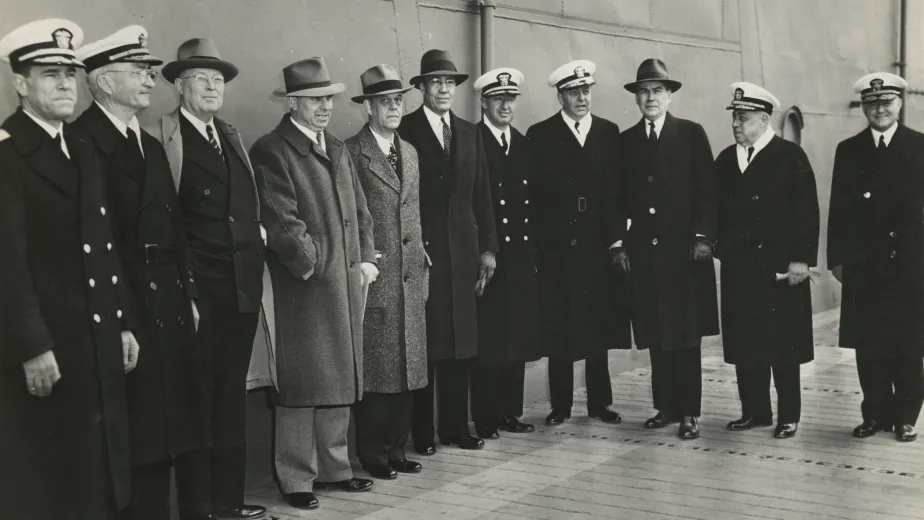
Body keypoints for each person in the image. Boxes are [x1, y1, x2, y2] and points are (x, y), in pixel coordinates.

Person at [0, 19, 137, 519]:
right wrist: (32, 346)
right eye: (49, 74)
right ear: (21, 84)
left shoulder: (79, 147)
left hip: (94, 337)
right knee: (50, 479)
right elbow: (7, 264)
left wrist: (122, 322)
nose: (64, 85)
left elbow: (103, 246)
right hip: (48, 349)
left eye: (69, 74)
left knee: (97, 471)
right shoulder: (9, 154)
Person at [74, 26, 212, 519]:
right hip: (128, 301)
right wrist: (122, 319)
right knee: (140, 434)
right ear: (104, 81)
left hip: (168, 299)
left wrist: (189, 294)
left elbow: (176, 229)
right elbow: (96, 245)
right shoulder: (83, 143)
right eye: (139, 72)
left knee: (170, 426)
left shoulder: (148, 144)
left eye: (151, 72)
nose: (151, 80)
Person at [251, 57, 377, 510]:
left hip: (342, 282)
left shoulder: (336, 147)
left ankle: (335, 468)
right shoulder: (272, 150)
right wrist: (316, 265)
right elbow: (280, 219)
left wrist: (366, 258)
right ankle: (296, 477)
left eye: (328, 98)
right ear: (292, 103)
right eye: (314, 99)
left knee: (338, 377)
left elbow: (360, 211)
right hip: (303, 288)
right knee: (302, 385)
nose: (325, 106)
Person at [149, 37, 266, 519]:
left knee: (230, 396)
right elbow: (167, 223)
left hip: (240, 289)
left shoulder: (229, 136)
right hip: (199, 294)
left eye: (218, 80)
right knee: (197, 399)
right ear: (179, 87)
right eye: (202, 79)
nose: (213, 87)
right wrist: (189, 294)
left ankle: (229, 503)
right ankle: (199, 508)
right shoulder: (165, 139)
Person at [398, 49, 499, 454]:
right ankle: (424, 435)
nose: (443, 88)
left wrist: (488, 249)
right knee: (428, 346)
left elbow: (483, 195)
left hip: (465, 254)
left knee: (461, 344)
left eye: (449, 82)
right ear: (422, 87)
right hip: (425, 254)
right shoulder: (405, 129)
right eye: (435, 82)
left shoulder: (470, 132)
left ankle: (457, 428)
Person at [616, 59, 718, 440]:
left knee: (686, 337)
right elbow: (617, 198)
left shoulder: (691, 134)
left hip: (684, 254)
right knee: (657, 332)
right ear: (636, 98)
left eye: (657, 90)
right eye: (643, 91)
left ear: (670, 95)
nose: (650, 98)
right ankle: (666, 406)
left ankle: (689, 411)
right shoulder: (626, 141)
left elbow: (707, 190)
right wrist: (618, 243)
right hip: (646, 254)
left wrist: (703, 237)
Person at [526, 59, 629, 426]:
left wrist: (616, 242)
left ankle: (600, 403)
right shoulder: (541, 135)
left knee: (598, 325)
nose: (582, 98)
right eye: (573, 92)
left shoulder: (608, 132)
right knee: (560, 327)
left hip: (596, 246)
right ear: (560, 97)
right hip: (557, 249)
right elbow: (535, 199)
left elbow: (616, 194)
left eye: (586, 91)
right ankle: (561, 405)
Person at [715, 82, 819, 439]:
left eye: (743, 118)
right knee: (745, 340)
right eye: (734, 117)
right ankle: (755, 411)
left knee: (784, 345)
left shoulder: (790, 156)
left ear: (764, 119)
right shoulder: (726, 159)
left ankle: (789, 415)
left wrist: (801, 260)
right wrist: (721, 248)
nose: (736, 124)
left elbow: (807, 213)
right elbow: (715, 210)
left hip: (779, 268)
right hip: (740, 267)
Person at [828, 72, 924, 443]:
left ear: (900, 103)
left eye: (886, 102)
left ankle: (906, 416)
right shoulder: (849, 150)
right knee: (868, 345)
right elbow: (838, 209)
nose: (879, 109)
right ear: (864, 108)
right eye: (871, 103)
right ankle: (875, 414)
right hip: (865, 266)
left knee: (908, 345)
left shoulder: (919, 146)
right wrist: (837, 259)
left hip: (910, 264)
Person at [345, 64, 429, 480]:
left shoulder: (409, 151)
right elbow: (352, 214)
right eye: (384, 102)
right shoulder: (352, 152)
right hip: (376, 276)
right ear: (368, 108)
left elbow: (414, 214)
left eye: (398, 101)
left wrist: (422, 264)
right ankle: (373, 454)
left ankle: (397, 448)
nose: (394, 108)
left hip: (410, 275)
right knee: (378, 370)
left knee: (408, 367)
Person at [469, 67, 540, 439]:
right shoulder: (472, 141)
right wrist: (485, 249)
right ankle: (485, 416)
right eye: (498, 99)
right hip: (490, 256)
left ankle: (510, 412)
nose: (505, 106)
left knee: (517, 337)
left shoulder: (524, 145)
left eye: (510, 99)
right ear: (484, 102)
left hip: (521, 257)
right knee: (491, 338)